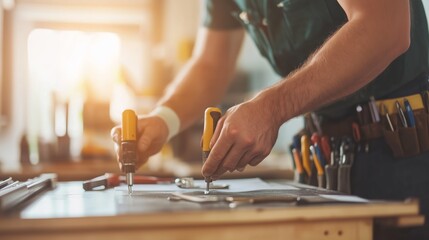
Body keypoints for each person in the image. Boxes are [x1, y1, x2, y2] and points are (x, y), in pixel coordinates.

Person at [112, 0, 429, 238]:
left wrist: (271, 107)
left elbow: (385, 27)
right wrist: (163, 119)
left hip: (403, 151)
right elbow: (211, 63)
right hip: (322, 157)